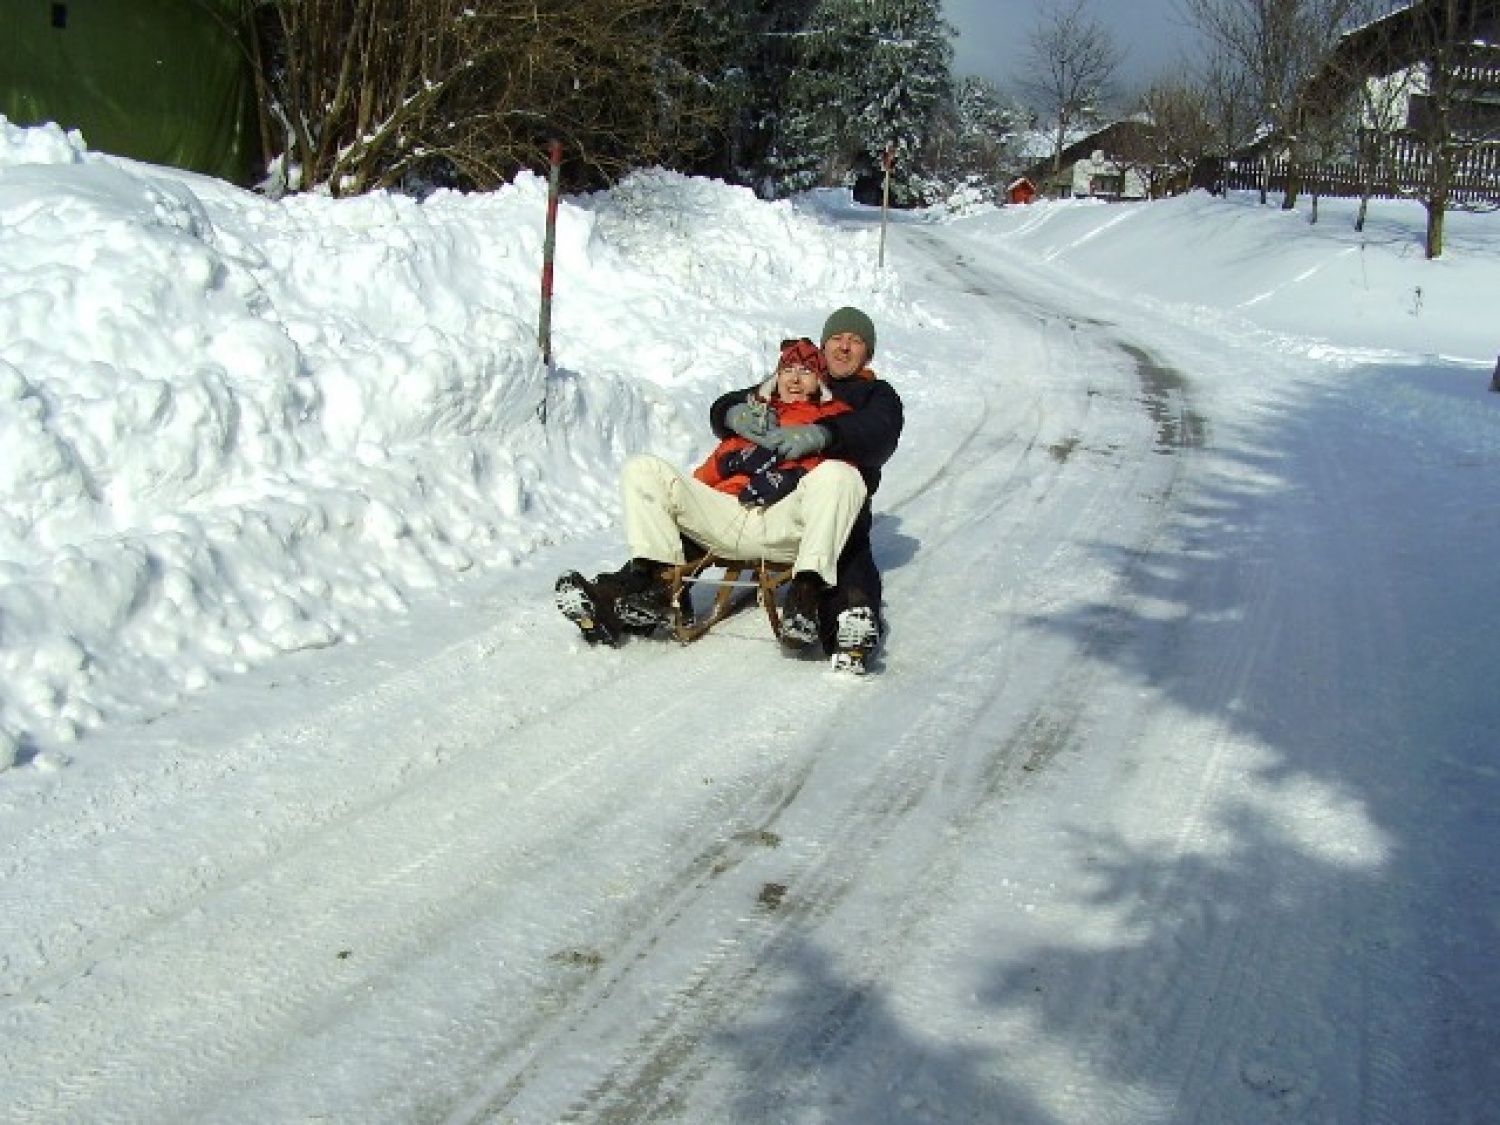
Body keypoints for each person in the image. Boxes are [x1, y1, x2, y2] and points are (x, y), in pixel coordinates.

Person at [555, 337, 867, 650]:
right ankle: (655, 584)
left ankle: (805, 595)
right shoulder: (756, 418)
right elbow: (703, 479)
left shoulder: (833, 417)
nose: (795, 379)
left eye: (806, 371)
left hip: (783, 522)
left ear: (819, 381)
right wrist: (729, 461)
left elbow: (844, 476)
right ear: (776, 377)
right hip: (727, 512)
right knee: (643, 469)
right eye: (787, 370)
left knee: (842, 476)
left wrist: (797, 472)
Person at [709, 306, 902, 672]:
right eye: (837, 339)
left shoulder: (875, 393)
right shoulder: (803, 376)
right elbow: (733, 400)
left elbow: (879, 432)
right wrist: (733, 414)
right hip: (776, 494)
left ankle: (850, 620)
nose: (844, 347)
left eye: (856, 341)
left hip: (837, 492)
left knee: (849, 542)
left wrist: (825, 434)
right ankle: (639, 588)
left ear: (868, 352)